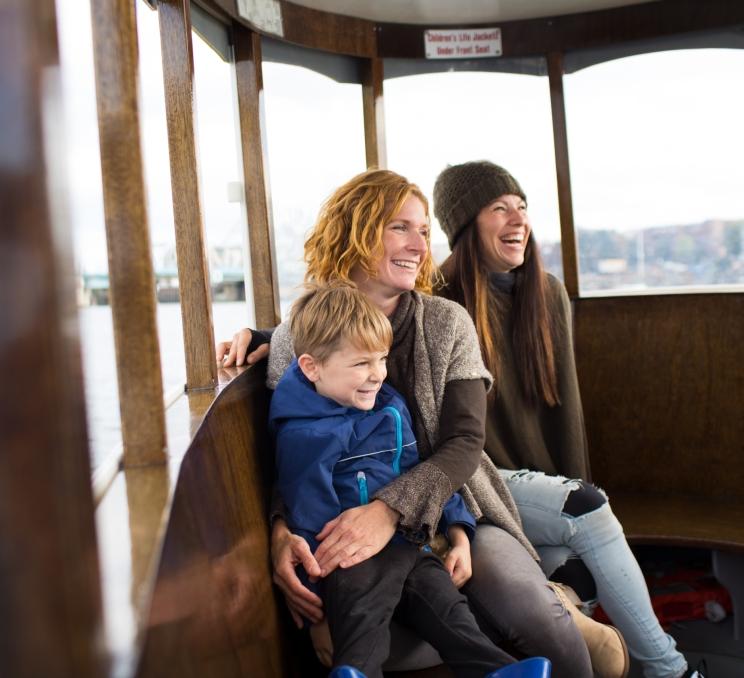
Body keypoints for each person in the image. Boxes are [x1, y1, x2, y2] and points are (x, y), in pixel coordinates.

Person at [218, 169, 622, 678]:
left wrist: (396, 511)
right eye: (400, 228)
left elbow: (464, 443)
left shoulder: (447, 321)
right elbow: (291, 454)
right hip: (340, 523)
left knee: (539, 618)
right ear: (357, 232)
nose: (419, 245)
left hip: (458, 502)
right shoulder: (296, 336)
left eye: (424, 231)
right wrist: (280, 531)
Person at [431, 160, 700, 678]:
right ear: (465, 225)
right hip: (476, 483)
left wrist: (572, 491)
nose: (518, 219)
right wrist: (265, 340)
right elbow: (349, 317)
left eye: (522, 207)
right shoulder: (434, 300)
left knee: (576, 561)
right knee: (586, 509)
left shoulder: (546, 292)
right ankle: (671, 670)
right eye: (499, 208)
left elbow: (565, 413)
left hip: (534, 489)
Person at [270, 281, 518, 677]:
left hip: (407, 545)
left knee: (449, 610)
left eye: (381, 360)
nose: (376, 375)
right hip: (348, 562)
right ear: (311, 367)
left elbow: (418, 472)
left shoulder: (388, 406)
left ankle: (498, 671)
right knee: (364, 620)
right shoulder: (305, 434)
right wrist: (319, 618)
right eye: (360, 364)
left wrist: (458, 529)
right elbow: (307, 520)